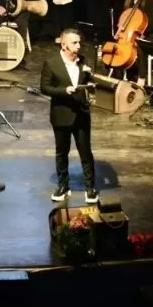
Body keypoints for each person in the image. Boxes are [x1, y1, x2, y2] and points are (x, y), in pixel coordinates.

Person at [39, 27, 97, 204]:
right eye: (75, 42)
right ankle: (63, 186)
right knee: (61, 152)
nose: (79, 46)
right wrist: (64, 90)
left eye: (79, 42)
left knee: (85, 152)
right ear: (64, 45)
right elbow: (45, 87)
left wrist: (92, 92)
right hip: (61, 114)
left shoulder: (83, 62)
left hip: (81, 113)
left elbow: (88, 84)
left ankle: (90, 187)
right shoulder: (52, 63)